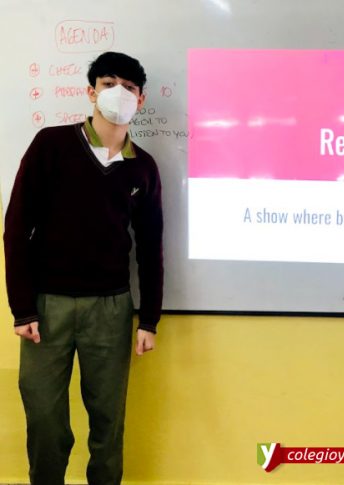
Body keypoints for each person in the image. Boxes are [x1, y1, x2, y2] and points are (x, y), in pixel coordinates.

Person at [4, 51, 163, 485]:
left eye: (128, 87)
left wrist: (149, 319)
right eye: (109, 84)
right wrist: (22, 308)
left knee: (108, 423)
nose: (118, 93)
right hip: (46, 308)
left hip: (110, 310)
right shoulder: (51, 145)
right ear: (91, 92)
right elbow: (16, 227)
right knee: (45, 420)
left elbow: (150, 247)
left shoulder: (143, 167)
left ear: (140, 100)